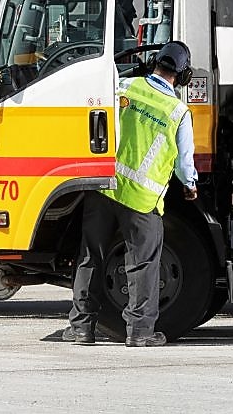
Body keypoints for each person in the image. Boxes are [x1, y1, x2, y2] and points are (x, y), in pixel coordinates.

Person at [64, 40, 198, 347]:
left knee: (90, 256)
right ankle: (140, 333)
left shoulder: (124, 87)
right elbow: (184, 163)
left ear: (154, 62)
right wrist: (190, 185)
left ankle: (82, 328)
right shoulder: (177, 111)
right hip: (141, 198)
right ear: (183, 75)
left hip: (103, 187)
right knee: (142, 264)